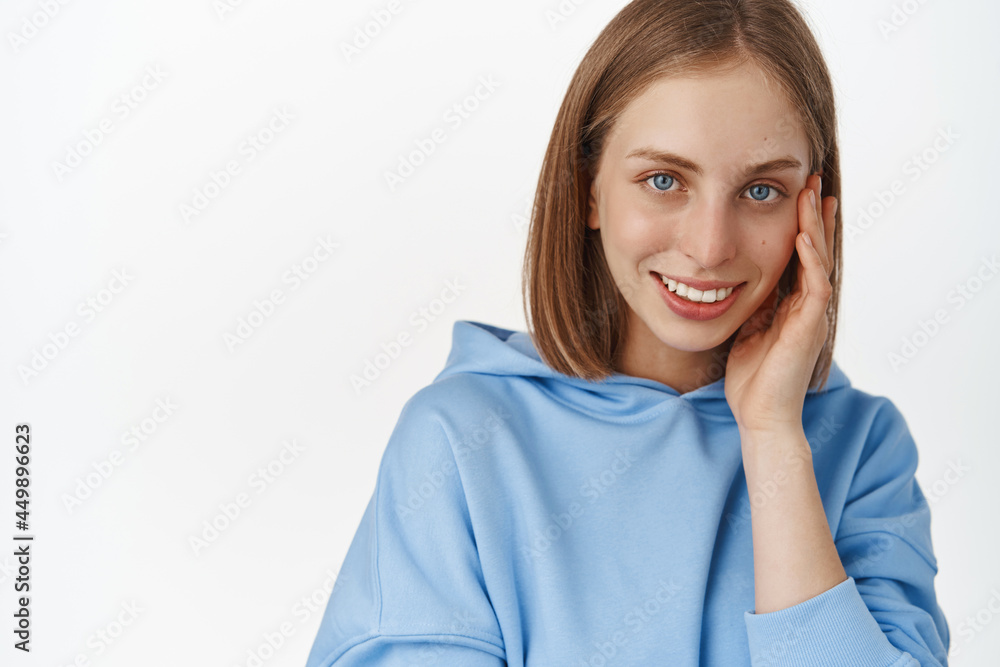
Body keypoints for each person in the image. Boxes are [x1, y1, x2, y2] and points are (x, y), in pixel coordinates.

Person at [305, 0, 950, 664]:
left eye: (761, 191)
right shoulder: (460, 439)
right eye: (664, 180)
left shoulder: (863, 450)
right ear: (587, 188)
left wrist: (772, 436)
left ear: (815, 211)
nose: (708, 247)